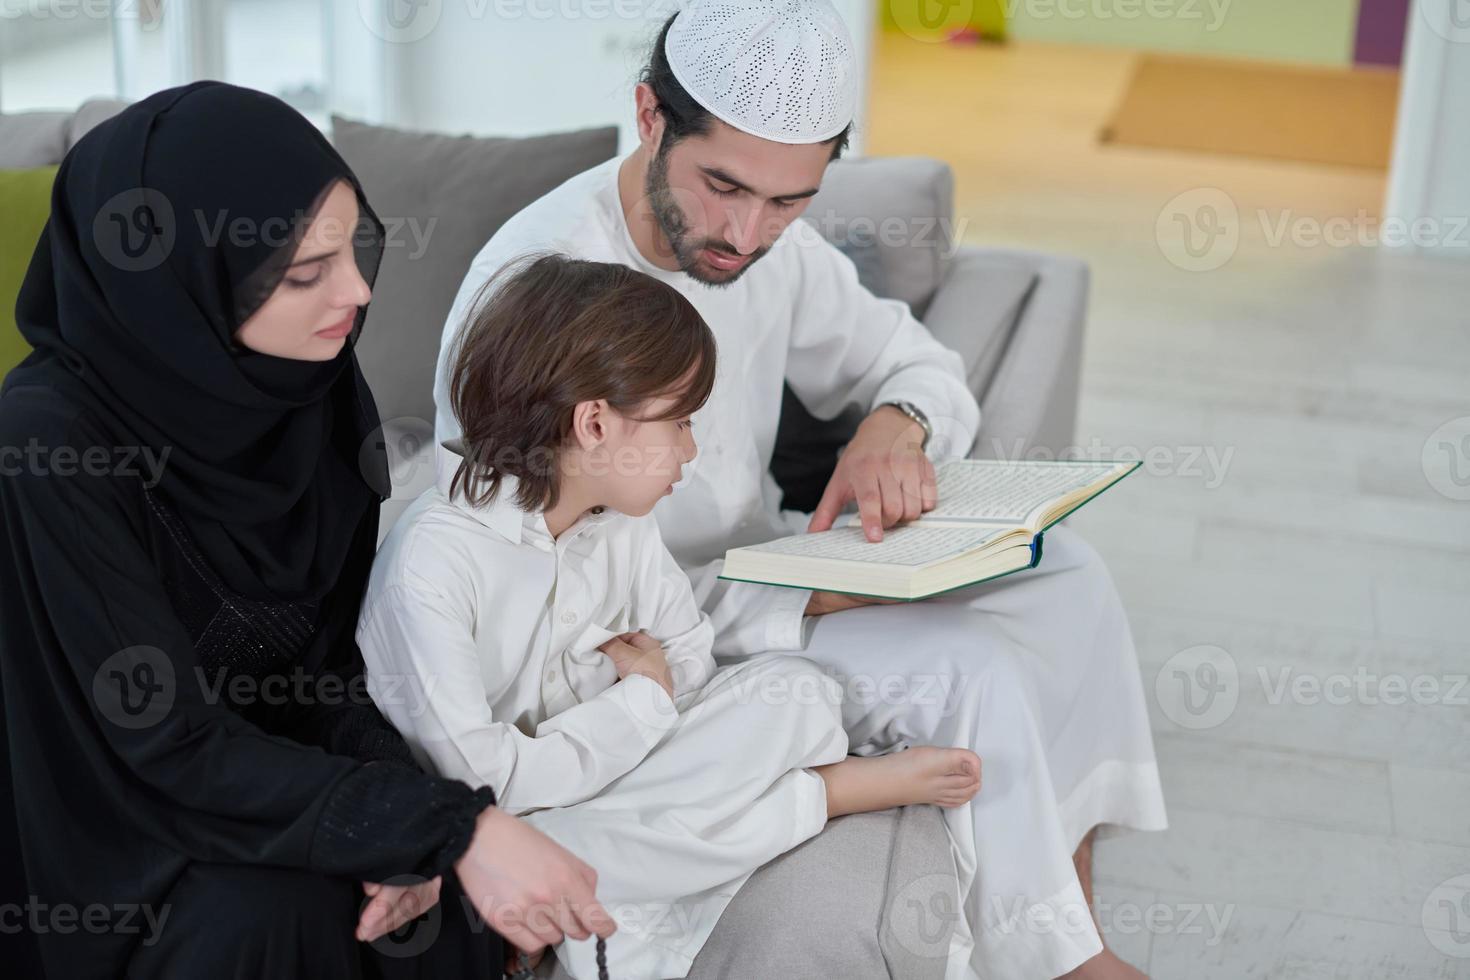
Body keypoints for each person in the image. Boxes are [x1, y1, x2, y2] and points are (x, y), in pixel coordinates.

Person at [431, 2, 1168, 977]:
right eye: (723, 186)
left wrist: (891, 426)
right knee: (974, 663)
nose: (746, 232)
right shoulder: (540, 283)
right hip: (644, 640)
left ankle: (1072, 919)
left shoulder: (772, 249)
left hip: (762, 560)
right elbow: (544, 601)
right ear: (650, 116)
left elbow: (917, 360)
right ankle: (1065, 962)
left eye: (789, 201)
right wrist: (805, 592)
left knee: (1067, 572)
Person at [0, 82, 614, 979]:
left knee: (431, 903)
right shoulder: (49, 444)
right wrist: (446, 825)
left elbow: (325, 676)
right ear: (184, 279)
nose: (358, 292)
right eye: (303, 274)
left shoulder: (309, 388)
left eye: (355, 249)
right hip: (106, 821)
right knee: (277, 919)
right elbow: (162, 741)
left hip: (254, 784)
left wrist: (411, 827)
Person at [359, 253, 982, 980]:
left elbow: (691, 655)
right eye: (679, 422)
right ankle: (818, 795)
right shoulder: (435, 563)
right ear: (594, 423)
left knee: (798, 692)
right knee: (553, 831)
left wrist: (650, 703)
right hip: (507, 820)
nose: (690, 449)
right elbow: (481, 782)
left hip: (624, 777)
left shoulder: (619, 521)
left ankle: (583, 884)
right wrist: (639, 703)